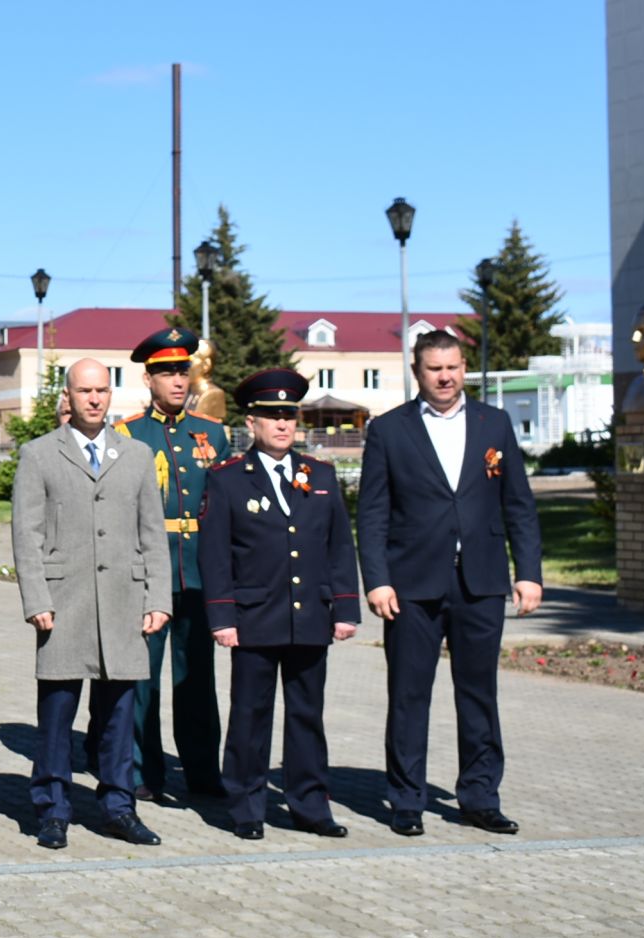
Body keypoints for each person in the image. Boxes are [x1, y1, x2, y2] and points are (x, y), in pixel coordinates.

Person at [357, 330, 543, 837]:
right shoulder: (390, 430)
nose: (445, 377)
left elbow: (519, 504)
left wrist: (528, 572)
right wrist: (377, 580)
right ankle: (407, 800)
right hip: (412, 586)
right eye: (435, 368)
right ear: (417, 372)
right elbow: (371, 514)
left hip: (480, 583)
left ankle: (480, 796)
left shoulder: (494, 423)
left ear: (465, 369)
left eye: (453, 367)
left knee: (479, 695)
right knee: (409, 695)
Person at [13, 358, 169, 851]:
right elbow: (26, 534)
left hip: (125, 602)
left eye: (102, 390)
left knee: (120, 717)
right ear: (69, 396)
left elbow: (152, 533)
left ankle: (119, 808)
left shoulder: (138, 454)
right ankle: (53, 809)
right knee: (57, 717)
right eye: (85, 391)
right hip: (64, 604)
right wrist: (36, 597)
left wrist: (158, 598)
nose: (95, 399)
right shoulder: (39, 455)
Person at [200, 370, 360, 840]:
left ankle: (311, 805)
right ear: (252, 423)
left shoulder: (321, 476)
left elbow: (338, 548)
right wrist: (222, 617)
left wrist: (346, 608)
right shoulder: (228, 480)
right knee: (250, 715)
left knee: (307, 714)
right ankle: (247, 807)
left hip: (310, 615)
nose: (283, 425)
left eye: (289, 415)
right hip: (253, 618)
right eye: (272, 416)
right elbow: (215, 556)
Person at [113, 327, 229, 801]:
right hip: (148, 574)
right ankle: (142, 771)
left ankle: (203, 772)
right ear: (148, 379)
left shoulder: (212, 433)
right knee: (143, 679)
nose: (177, 380)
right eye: (166, 372)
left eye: (182, 370)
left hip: (200, 574)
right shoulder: (127, 434)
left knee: (197, 677)